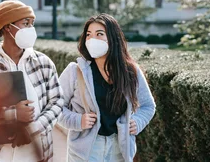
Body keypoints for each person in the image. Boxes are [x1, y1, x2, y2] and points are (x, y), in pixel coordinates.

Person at [0, 0, 64, 162]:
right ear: (7, 27)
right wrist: (11, 114)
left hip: (38, 151)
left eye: (32, 24)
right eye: (25, 23)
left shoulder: (44, 62)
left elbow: (57, 102)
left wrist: (34, 128)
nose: (31, 29)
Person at [58, 13, 156, 162]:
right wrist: (78, 120)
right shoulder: (75, 71)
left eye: (99, 34)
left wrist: (138, 122)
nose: (92, 40)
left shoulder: (131, 71)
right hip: (86, 151)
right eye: (88, 35)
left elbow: (148, 106)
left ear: (113, 38)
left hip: (119, 148)